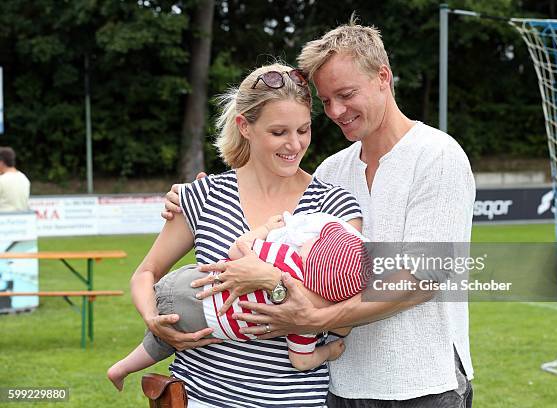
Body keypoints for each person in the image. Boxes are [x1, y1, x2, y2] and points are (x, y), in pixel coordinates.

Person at [164, 19, 475, 407]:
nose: (336, 111)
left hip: (421, 385)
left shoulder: (437, 156)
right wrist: (192, 196)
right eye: (327, 100)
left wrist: (311, 320)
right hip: (340, 387)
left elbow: (422, 279)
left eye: (345, 94)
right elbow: (272, 219)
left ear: (383, 77)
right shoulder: (332, 171)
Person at [130, 62, 363, 407]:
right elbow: (146, 273)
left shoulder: (335, 205)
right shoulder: (202, 195)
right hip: (201, 396)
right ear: (245, 127)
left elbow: (346, 303)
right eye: (279, 132)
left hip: (297, 401)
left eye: (303, 130)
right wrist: (154, 319)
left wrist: (271, 280)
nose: (294, 144)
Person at [108, 213, 368, 390]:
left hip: (191, 283)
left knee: (165, 333)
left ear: (313, 255)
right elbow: (301, 361)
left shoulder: (285, 256)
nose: (312, 238)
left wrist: (266, 229)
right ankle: (121, 368)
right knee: (165, 340)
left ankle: (120, 368)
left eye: (317, 241)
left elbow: (238, 249)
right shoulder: (307, 317)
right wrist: (329, 351)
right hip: (203, 322)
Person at [0, 146, 30, 212]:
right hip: (23, 219)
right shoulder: (24, 178)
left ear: (1, 163)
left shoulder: (2, 180)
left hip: (4, 218)